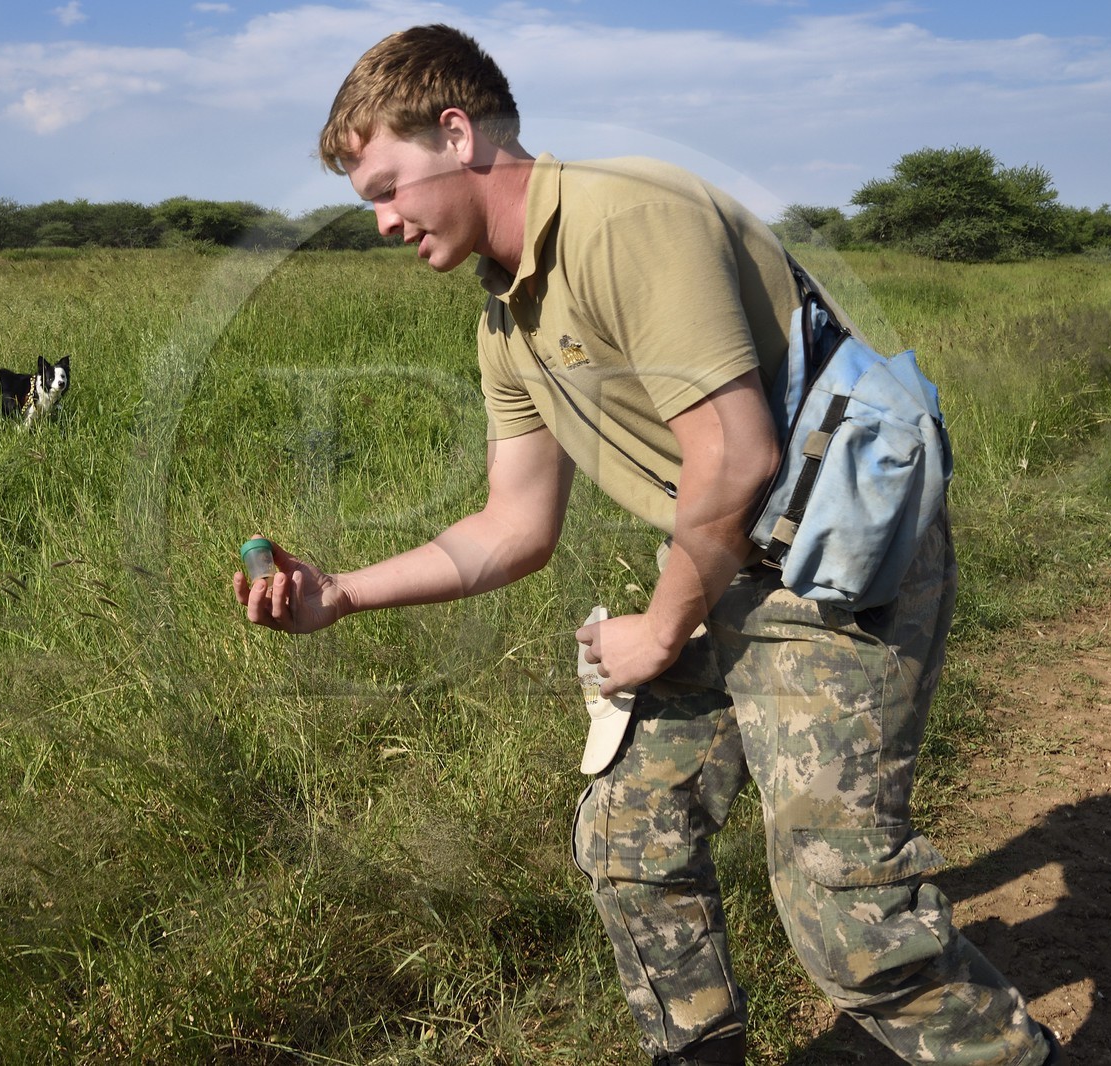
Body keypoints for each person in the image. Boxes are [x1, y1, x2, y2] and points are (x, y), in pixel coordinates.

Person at [236, 23, 1060, 1066]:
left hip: (836, 573)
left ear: (457, 134)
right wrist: (345, 592)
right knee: (630, 838)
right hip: (724, 563)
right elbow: (513, 526)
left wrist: (659, 631)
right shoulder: (505, 317)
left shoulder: (627, 218)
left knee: (850, 920)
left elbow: (737, 454)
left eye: (388, 189)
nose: (384, 222)